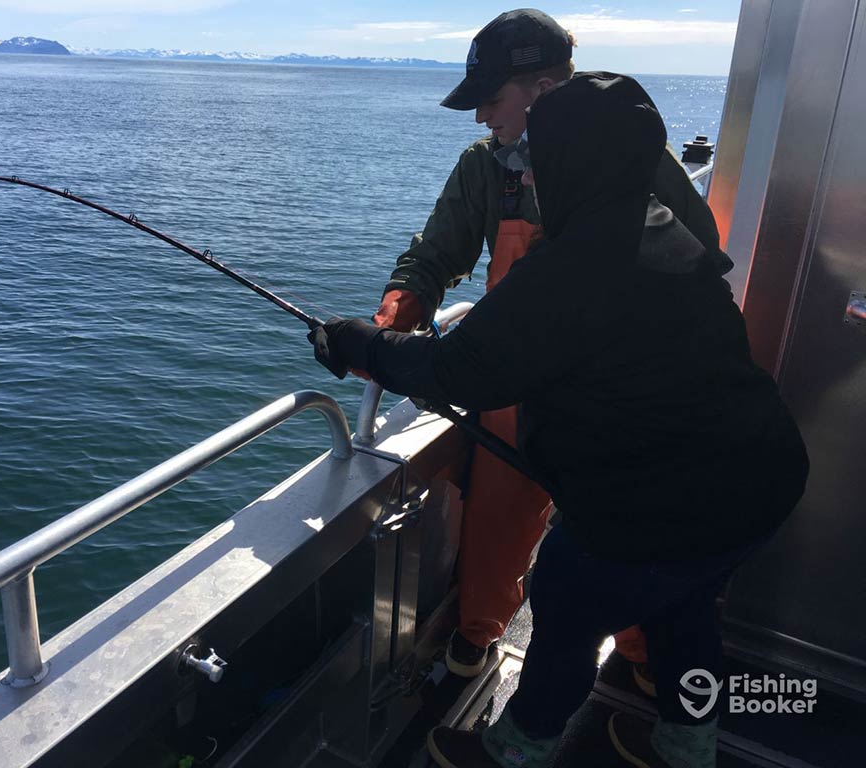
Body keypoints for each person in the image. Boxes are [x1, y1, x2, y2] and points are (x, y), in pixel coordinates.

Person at [309, 72, 808, 768]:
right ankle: (687, 747)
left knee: (569, 596)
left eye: (541, 156)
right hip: (759, 477)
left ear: (569, 160)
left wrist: (357, 341)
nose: (533, 172)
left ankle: (516, 748)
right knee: (684, 605)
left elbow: (455, 373)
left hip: (664, 498)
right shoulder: (663, 226)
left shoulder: (572, 266)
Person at [372, 8, 729, 685]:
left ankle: (641, 659)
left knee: (625, 534)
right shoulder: (484, 168)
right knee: (498, 520)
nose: (480, 117)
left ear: (543, 89)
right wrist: (398, 311)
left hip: (616, 394)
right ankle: (480, 631)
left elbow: (698, 254)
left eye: (491, 98)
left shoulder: (631, 156)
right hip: (517, 387)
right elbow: (434, 256)